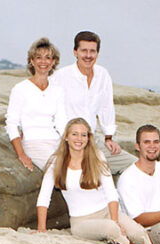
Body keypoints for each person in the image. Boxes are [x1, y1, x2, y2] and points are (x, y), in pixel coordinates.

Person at [36, 118, 152, 244]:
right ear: (66, 137)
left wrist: (115, 220)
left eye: (83, 135)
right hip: (81, 222)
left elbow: (111, 193)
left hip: (106, 212)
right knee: (112, 229)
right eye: (74, 134)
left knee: (139, 234)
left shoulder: (97, 157)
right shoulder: (56, 162)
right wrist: (41, 228)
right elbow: (44, 198)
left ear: (88, 138)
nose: (79, 138)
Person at [51, 31, 136, 175]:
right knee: (85, 173)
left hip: (92, 140)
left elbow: (106, 107)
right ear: (75, 52)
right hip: (67, 141)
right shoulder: (60, 77)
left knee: (136, 166)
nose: (88, 55)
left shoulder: (102, 75)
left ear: (97, 53)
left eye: (92, 51)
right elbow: (47, 108)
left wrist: (108, 137)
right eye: (84, 51)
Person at [5, 37, 67, 171]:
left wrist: (70, 147)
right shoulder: (20, 89)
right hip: (33, 143)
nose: (43, 61)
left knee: (83, 168)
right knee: (60, 172)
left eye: (48, 57)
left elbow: (62, 123)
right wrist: (21, 154)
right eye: (38, 57)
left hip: (56, 142)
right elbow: (11, 124)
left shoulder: (58, 90)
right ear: (32, 61)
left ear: (53, 62)